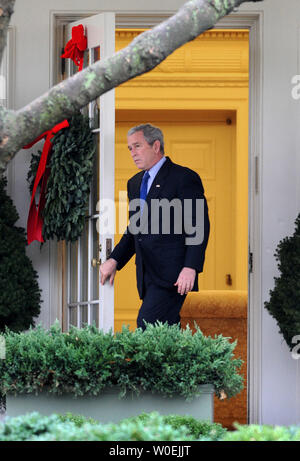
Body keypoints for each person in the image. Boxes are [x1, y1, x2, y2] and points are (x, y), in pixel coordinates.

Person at [100, 123, 210, 330]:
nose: (132, 153)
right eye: (130, 148)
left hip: (174, 275)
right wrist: (114, 259)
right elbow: (135, 229)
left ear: (156, 145)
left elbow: (199, 225)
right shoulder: (134, 183)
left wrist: (191, 267)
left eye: (137, 146)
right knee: (164, 335)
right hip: (147, 275)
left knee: (148, 325)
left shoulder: (183, 178)